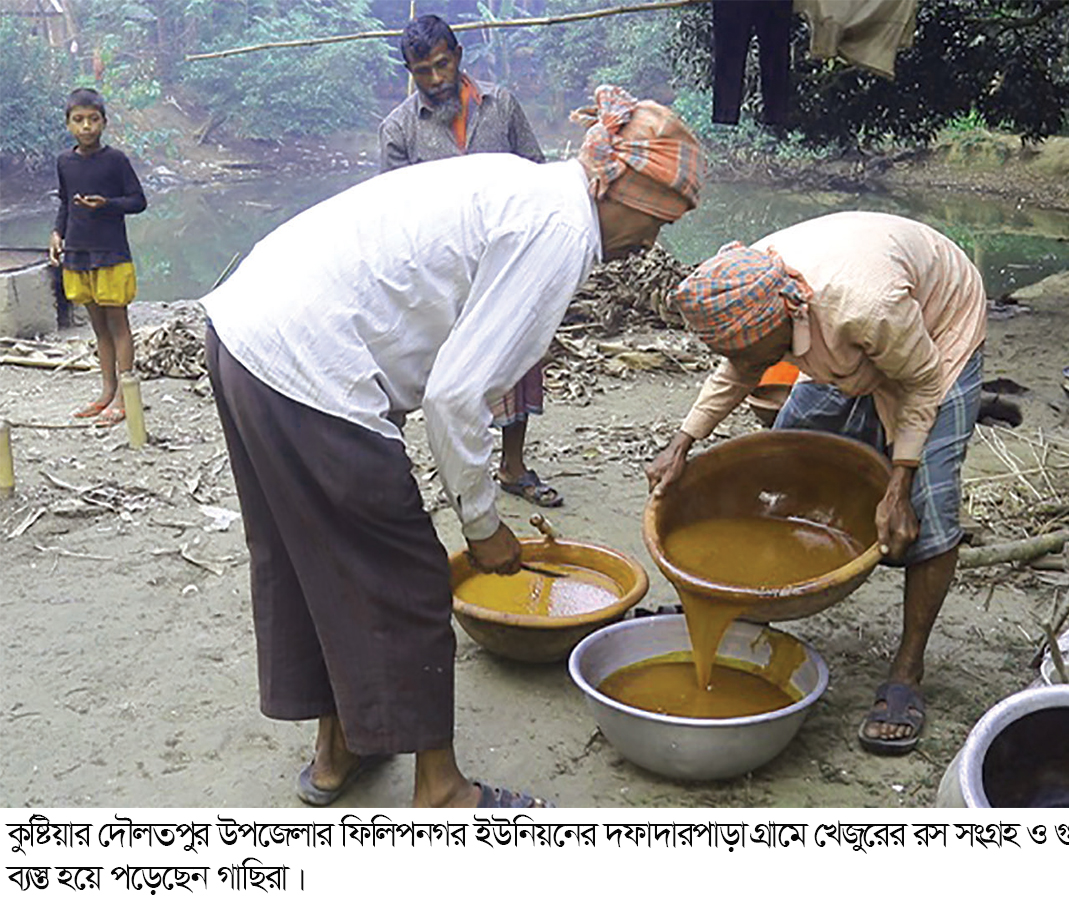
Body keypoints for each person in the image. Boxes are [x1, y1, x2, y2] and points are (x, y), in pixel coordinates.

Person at [202, 85, 702, 807]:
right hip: (307, 360)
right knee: (406, 575)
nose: (651, 243)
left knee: (303, 555)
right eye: (657, 220)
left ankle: (338, 753)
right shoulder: (559, 232)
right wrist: (484, 527)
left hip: (246, 329)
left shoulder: (526, 189)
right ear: (614, 184)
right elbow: (456, 397)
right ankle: (441, 789)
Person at [645, 211, 986, 756]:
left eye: (763, 353)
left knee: (930, 506)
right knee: (787, 450)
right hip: (845, 334)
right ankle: (743, 600)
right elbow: (740, 366)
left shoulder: (866, 305)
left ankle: (907, 672)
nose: (751, 366)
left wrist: (900, 483)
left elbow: (920, 384)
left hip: (936, 331)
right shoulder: (748, 282)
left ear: (789, 321)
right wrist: (682, 442)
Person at [380, 14, 560, 507]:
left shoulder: (501, 106)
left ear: (458, 56)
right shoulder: (399, 129)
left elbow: (537, 174)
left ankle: (513, 465)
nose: (436, 80)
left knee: (517, 362)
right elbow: (396, 214)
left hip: (509, 264)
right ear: (409, 73)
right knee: (440, 375)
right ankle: (443, 471)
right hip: (442, 277)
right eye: (423, 71)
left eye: (442, 65)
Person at [49, 87, 147, 427]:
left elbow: (138, 201)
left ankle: (125, 395)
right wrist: (57, 234)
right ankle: (106, 391)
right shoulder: (65, 161)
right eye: (78, 120)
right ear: (68, 124)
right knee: (98, 327)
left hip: (111, 253)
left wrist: (108, 204)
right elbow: (64, 202)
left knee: (119, 325)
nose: (86, 126)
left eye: (93, 119)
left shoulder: (115, 160)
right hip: (78, 253)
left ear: (104, 122)